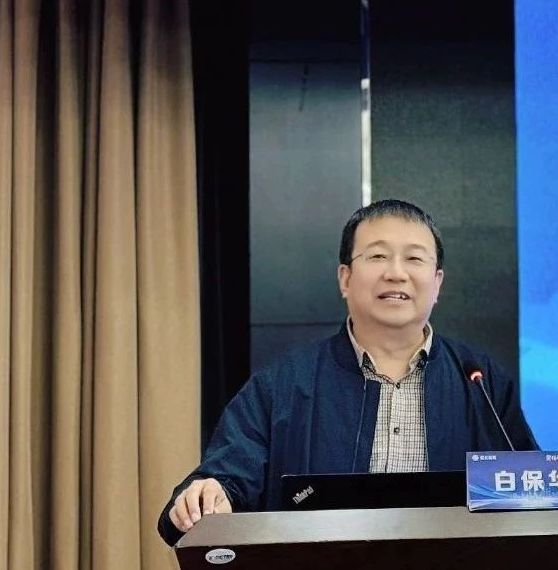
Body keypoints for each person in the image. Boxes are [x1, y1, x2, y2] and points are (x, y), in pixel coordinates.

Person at [158, 199, 537, 545]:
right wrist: (211, 495)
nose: (396, 273)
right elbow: (228, 479)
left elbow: (534, 496)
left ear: (437, 283)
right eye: (378, 256)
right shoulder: (284, 384)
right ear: (345, 278)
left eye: (414, 259)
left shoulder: (480, 381)